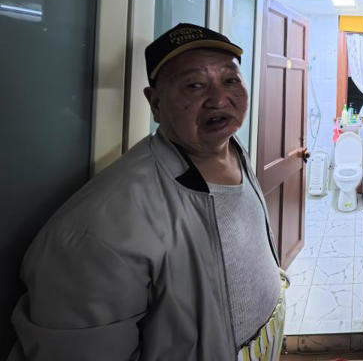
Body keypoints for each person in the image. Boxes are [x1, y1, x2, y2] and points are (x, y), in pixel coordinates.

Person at [9, 23, 287, 361]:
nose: (218, 99)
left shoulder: (233, 148)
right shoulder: (100, 226)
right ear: (155, 102)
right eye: (195, 85)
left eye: (230, 80)